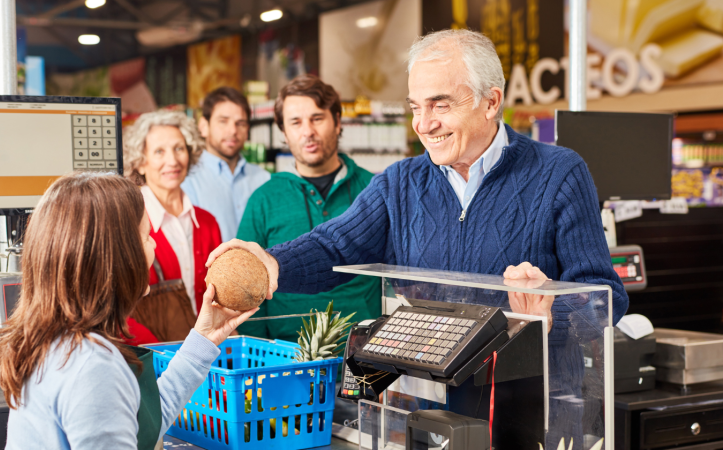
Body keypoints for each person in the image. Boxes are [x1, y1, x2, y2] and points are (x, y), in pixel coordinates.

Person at [210, 29, 629, 447]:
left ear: (491, 101)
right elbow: (333, 245)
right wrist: (272, 262)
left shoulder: (559, 173)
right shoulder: (399, 183)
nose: (424, 124)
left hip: (531, 410)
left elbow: (607, 294)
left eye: (439, 105)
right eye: (416, 107)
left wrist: (554, 307)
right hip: (426, 410)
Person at [0, 172, 257, 450]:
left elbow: (143, 423)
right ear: (117, 257)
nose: (154, 245)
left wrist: (204, 337)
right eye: (146, 237)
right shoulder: (93, 368)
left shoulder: (54, 342)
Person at [235, 75, 381, 343]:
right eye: (295, 122)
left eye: (317, 118)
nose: (307, 131)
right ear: (284, 132)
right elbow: (247, 286)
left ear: (337, 122)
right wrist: (260, 351)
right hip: (286, 358)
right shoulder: (264, 199)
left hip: (366, 355)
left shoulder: (374, 189)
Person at [122, 110, 223, 343]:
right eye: (159, 151)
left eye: (179, 148)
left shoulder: (207, 223)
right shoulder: (127, 222)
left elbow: (221, 295)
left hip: (209, 354)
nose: (173, 161)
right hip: (150, 357)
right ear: (140, 163)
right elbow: (117, 308)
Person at [181, 87, 271, 241]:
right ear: (204, 126)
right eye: (223, 121)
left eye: (240, 123)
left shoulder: (264, 179)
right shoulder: (186, 181)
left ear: (247, 130)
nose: (232, 130)